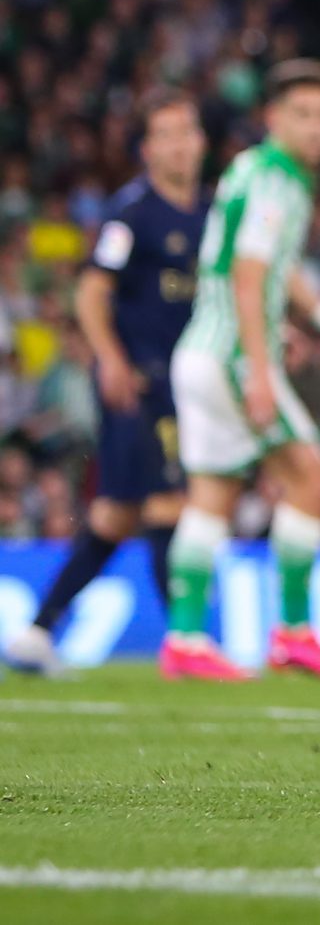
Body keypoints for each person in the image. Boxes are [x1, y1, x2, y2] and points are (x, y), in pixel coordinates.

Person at [163, 61, 320, 681]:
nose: (318, 128)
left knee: (212, 495)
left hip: (201, 352)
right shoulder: (276, 180)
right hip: (234, 358)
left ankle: (184, 639)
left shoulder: (253, 170)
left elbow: (276, 271)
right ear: (273, 118)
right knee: (312, 479)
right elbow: (250, 273)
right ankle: (292, 633)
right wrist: (261, 371)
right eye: (303, 115)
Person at [4, 92, 206, 677]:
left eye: (186, 132)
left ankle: (37, 632)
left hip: (181, 384)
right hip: (134, 383)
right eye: (165, 134)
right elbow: (91, 291)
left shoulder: (209, 212)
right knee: (169, 502)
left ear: (200, 141)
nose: (179, 145)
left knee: (115, 517)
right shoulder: (131, 213)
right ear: (147, 149)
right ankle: (186, 641)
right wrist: (111, 359)